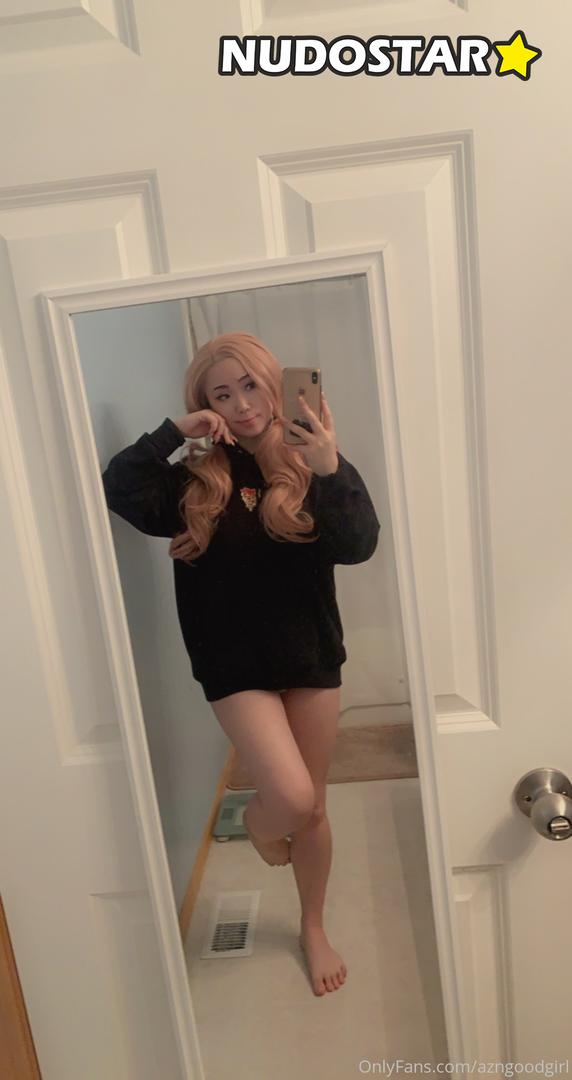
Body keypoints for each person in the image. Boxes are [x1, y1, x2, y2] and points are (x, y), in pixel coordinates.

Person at [102, 331, 380, 996]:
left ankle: (312, 926)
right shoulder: (194, 478)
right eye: (221, 394)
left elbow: (359, 545)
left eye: (250, 385)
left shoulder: (312, 461)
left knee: (314, 810)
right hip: (232, 665)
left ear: (274, 383)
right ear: (206, 404)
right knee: (290, 799)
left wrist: (329, 467)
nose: (242, 404)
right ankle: (256, 824)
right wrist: (176, 431)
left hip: (310, 654)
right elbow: (118, 485)